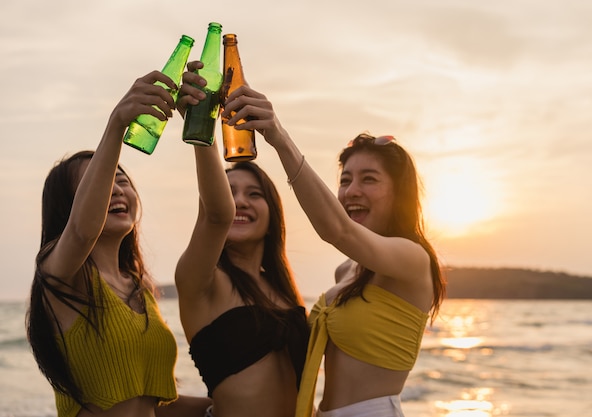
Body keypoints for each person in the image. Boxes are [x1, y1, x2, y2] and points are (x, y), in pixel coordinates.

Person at [220, 85, 447, 417]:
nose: (352, 191)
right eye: (345, 180)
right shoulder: (347, 271)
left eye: (369, 179)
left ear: (399, 194)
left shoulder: (412, 258)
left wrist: (278, 136)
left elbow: (336, 229)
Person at [26, 71, 212, 417]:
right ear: (70, 207)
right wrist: (116, 126)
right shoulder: (60, 274)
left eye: (121, 179)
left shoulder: (139, 286)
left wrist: (235, 403)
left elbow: (152, 403)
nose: (116, 189)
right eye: (99, 183)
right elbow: (82, 232)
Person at [173, 61, 310, 417]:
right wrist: (201, 123)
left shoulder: (283, 290)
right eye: (231, 191)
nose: (240, 203)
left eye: (254, 194)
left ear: (273, 211)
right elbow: (218, 214)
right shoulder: (202, 283)